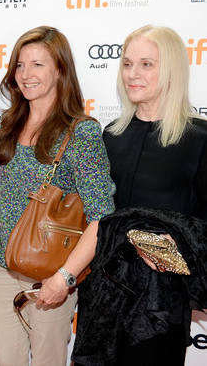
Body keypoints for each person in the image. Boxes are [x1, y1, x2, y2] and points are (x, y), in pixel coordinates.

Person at [72, 26, 207, 365]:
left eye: (147, 64)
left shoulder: (199, 137)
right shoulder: (112, 135)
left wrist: (174, 247)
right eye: (127, 63)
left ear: (172, 69)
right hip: (104, 292)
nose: (132, 74)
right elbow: (100, 216)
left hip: (160, 301)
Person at [0, 26, 115, 366]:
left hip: (50, 274)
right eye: (20, 65)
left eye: (38, 65)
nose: (26, 75)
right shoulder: (9, 127)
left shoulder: (81, 132)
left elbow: (102, 216)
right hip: (0, 266)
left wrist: (65, 277)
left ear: (60, 69)